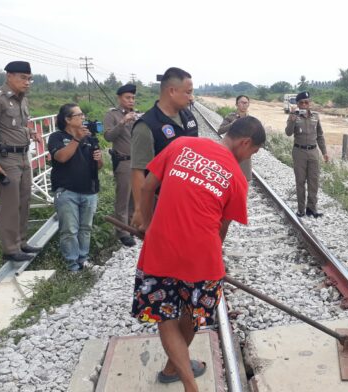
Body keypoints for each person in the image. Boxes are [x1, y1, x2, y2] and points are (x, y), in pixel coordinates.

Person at [130, 116, 265, 391]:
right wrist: (211, 260)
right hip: (202, 257)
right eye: (253, 151)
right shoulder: (237, 178)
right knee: (192, 313)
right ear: (245, 142)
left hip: (161, 249)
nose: (250, 156)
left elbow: (146, 187)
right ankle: (187, 381)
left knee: (164, 315)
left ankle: (177, 372)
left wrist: (146, 224)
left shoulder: (181, 145)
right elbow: (221, 230)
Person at [0, 61, 42, 261]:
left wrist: (31, 132)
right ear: (9, 76)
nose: (27, 82)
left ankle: (21, 242)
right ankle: (10, 249)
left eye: (29, 78)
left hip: (24, 156)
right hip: (7, 159)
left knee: (24, 201)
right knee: (10, 204)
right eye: (23, 78)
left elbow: (18, 126)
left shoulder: (22, 99)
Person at [130, 67, 198, 228]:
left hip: (188, 199)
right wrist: (140, 210)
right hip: (160, 202)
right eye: (188, 92)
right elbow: (138, 170)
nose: (191, 97)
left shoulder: (188, 117)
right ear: (172, 91)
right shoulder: (147, 126)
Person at [48, 104, 103, 271]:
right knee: (70, 230)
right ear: (67, 119)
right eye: (79, 115)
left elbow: (99, 166)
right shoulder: (56, 137)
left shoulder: (89, 136)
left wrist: (99, 158)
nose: (83, 117)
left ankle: (83, 260)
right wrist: (77, 139)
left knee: (85, 228)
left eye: (83, 115)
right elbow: (61, 157)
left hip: (89, 190)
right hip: (67, 191)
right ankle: (72, 266)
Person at [104, 83, 138, 247]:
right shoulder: (113, 115)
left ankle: (131, 227)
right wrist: (123, 122)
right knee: (123, 197)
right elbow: (108, 137)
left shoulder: (137, 115)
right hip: (123, 161)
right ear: (119, 98)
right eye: (127, 97)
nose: (131, 100)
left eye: (133, 97)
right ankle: (121, 231)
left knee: (134, 197)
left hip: (137, 161)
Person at [284, 91, 328, 217]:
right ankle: (301, 209)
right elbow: (288, 133)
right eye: (301, 102)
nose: (304, 104)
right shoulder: (294, 116)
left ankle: (312, 209)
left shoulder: (315, 116)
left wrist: (324, 152)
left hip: (313, 152)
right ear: (297, 104)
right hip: (299, 152)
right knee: (300, 181)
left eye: (306, 102)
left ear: (310, 103)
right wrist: (292, 118)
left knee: (314, 181)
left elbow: (320, 135)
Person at [218, 95, 252, 180]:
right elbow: (220, 130)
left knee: (244, 179)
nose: (244, 104)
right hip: (231, 151)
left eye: (246, 103)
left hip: (244, 153)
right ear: (237, 104)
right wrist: (232, 124)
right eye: (242, 102)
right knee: (229, 178)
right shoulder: (231, 116)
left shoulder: (250, 120)